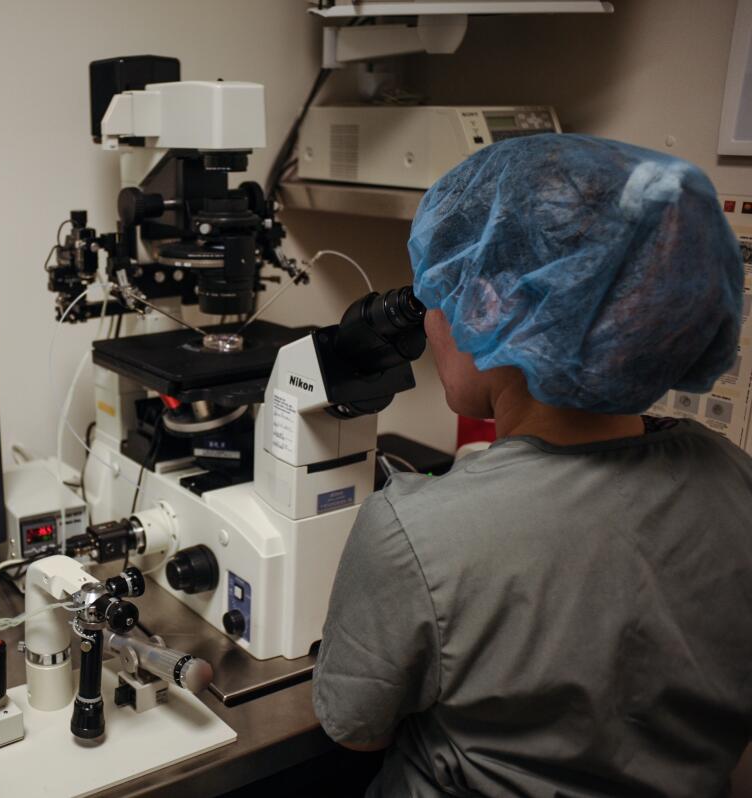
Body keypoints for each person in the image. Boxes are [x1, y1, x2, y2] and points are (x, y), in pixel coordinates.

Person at [312, 134, 752, 797]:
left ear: (488, 308)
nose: (430, 321)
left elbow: (354, 730)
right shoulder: (733, 477)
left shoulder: (418, 533)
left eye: (441, 290)